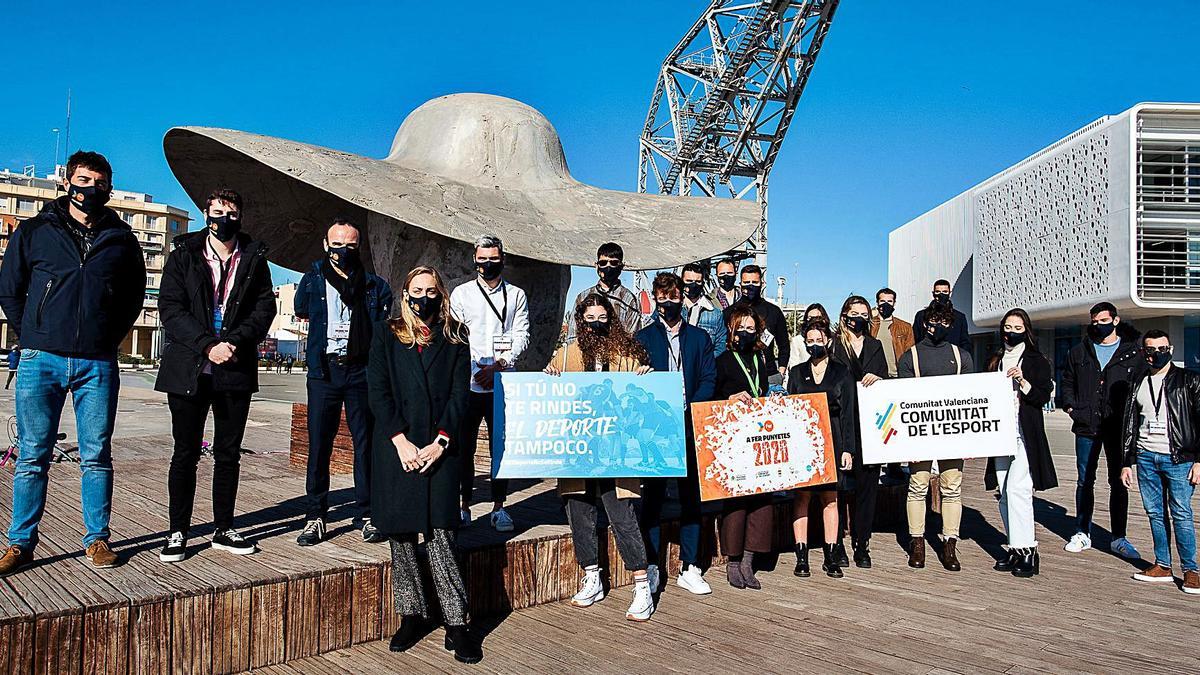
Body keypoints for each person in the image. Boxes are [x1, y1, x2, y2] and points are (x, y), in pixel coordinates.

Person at [0, 151, 146, 575]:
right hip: (39, 358)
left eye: (99, 184)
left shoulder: (122, 239)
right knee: (32, 455)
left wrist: (107, 335)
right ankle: (20, 543)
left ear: (108, 189)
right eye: (83, 180)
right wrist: (32, 333)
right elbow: (10, 289)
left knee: (97, 454)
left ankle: (97, 539)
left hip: (96, 363)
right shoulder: (35, 230)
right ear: (67, 182)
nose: (90, 189)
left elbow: (132, 296)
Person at [366, 265, 482, 663]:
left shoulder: (455, 336)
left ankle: (457, 622)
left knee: (442, 536)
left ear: (441, 293)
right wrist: (399, 440)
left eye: (431, 291)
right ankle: (412, 614)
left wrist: (442, 442)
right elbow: (377, 391)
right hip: (398, 448)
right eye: (417, 290)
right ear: (405, 292)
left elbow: (459, 396)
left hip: (439, 449)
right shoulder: (386, 333)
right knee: (401, 536)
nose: (424, 298)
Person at [155, 188, 276, 562]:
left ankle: (224, 527)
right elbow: (171, 309)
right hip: (190, 367)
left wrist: (234, 343)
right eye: (216, 211)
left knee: (228, 454)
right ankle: (178, 531)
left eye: (231, 212)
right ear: (206, 213)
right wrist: (208, 345)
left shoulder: (254, 258)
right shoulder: (184, 255)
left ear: (240, 216)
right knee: (185, 452)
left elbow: (263, 308)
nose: (223, 218)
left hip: (234, 369)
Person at [545, 293, 656, 622]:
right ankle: (592, 575)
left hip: (614, 450)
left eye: (602, 318)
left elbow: (642, 393)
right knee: (579, 512)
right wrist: (548, 376)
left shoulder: (627, 354)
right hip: (579, 449)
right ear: (581, 320)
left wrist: (645, 375)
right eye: (589, 318)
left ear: (612, 318)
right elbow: (552, 392)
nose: (596, 324)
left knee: (621, 515)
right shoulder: (566, 356)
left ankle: (641, 585)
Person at [294, 219, 394, 546]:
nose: (342, 251)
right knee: (319, 444)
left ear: (358, 247)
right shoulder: (313, 279)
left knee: (365, 443)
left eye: (350, 246)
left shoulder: (375, 286)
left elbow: (382, 330)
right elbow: (299, 309)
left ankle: (366, 512)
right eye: (337, 245)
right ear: (326, 245)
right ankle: (316, 515)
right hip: (325, 371)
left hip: (360, 371)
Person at [636, 272, 717, 597]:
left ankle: (691, 566)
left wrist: (689, 411)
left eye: (673, 296)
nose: (667, 302)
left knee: (691, 498)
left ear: (682, 298)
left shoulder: (699, 339)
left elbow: (709, 379)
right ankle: (653, 565)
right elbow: (635, 385)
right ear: (655, 298)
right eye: (662, 296)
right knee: (653, 499)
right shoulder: (643, 338)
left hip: (688, 425)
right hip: (656, 430)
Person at [449, 235, 530, 532]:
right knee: (463, 448)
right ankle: (463, 506)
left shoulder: (517, 295)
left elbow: (521, 334)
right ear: (474, 259)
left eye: (493, 259)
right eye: (481, 259)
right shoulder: (461, 294)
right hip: (469, 383)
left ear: (503, 259)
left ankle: (499, 507)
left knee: (501, 449)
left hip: (503, 383)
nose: (487, 264)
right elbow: (456, 336)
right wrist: (476, 370)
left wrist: (500, 364)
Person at [1060, 302, 1145, 559]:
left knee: (1118, 481)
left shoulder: (1132, 353)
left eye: (1103, 320)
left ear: (1116, 321)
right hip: (1087, 426)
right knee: (1085, 480)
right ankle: (1082, 532)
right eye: (1094, 321)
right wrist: (1071, 407)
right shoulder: (1079, 351)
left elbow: (1141, 388)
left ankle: (1119, 537)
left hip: (1117, 428)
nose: (1098, 325)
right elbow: (1067, 380)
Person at [1120, 330, 1200, 594]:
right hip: (1145, 457)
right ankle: (1163, 565)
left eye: (1162, 348)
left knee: (1181, 514)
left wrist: (1199, 461)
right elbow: (1130, 423)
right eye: (1151, 349)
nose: (1156, 354)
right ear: (1144, 352)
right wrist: (1126, 461)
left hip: (1179, 458)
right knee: (1155, 513)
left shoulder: (1189, 380)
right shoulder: (1138, 381)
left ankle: (1191, 570)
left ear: (1171, 348)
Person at [898, 301, 974, 571]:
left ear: (950, 324)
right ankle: (917, 542)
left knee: (952, 487)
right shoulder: (910, 356)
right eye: (932, 322)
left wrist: (968, 437)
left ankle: (949, 543)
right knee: (917, 486)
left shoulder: (962, 355)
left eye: (942, 322)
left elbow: (968, 399)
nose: (936, 327)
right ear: (924, 323)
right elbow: (903, 400)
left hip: (952, 433)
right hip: (919, 433)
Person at [983, 309, 1057, 577]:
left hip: (1024, 432)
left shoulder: (1037, 360)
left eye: (1017, 327)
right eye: (1007, 326)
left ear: (1026, 329)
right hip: (999, 433)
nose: (1011, 332)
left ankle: (1028, 549)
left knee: (1019, 489)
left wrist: (1022, 381)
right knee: (1003, 490)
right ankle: (1014, 547)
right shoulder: (994, 359)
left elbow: (1042, 396)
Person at [788, 321, 856, 579]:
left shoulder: (842, 372)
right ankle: (802, 557)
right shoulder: (796, 373)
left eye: (819, 340)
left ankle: (831, 555)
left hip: (833, 439)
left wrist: (848, 449)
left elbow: (849, 413)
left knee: (830, 498)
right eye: (810, 340)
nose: (814, 344)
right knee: (802, 497)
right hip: (804, 442)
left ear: (828, 340)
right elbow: (790, 411)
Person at [713, 306, 773, 589]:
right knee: (736, 499)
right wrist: (729, 398)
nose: (747, 333)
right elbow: (711, 398)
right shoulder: (723, 360)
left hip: (761, 435)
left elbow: (767, 390)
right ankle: (733, 561)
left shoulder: (762, 358)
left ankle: (750, 560)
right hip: (734, 438)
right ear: (732, 330)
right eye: (742, 328)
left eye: (752, 328)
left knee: (762, 497)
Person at [829, 295, 887, 568]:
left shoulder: (875, 346)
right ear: (845, 314)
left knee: (867, 487)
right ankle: (837, 541)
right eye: (855, 312)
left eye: (865, 313)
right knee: (839, 487)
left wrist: (880, 379)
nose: (860, 317)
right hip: (842, 423)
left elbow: (885, 382)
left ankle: (862, 542)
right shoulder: (834, 344)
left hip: (870, 426)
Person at [723, 264, 789, 387]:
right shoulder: (729, 313)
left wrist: (781, 371)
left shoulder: (774, 312)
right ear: (740, 283)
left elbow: (784, 345)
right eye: (746, 282)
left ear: (762, 283)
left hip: (770, 377)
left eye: (755, 282)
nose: (750, 285)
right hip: (738, 377)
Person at [572, 242, 645, 336]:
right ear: (596, 265)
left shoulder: (629, 300)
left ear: (621, 266)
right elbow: (572, 334)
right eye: (603, 263)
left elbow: (633, 337)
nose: (608, 267)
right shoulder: (582, 297)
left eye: (613, 263)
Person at [912, 279, 972, 352]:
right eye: (938, 292)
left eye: (944, 292)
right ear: (933, 293)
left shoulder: (959, 317)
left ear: (950, 293)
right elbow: (915, 339)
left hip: (951, 358)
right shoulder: (921, 316)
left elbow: (965, 343)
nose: (941, 295)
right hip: (927, 357)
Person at [681, 262, 727, 357]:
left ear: (703, 283)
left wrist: (705, 362)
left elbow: (721, 346)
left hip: (703, 369)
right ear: (682, 281)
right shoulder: (671, 309)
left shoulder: (715, 314)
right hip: (674, 369)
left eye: (698, 282)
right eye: (689, 281)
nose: (693, 285)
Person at [870, 287, 915, 379]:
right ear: (877, 303)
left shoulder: (905, 327)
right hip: (875, 376)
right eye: (882, 301)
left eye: (889, 301)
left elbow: (910, 353)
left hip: (898, 375)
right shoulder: (869, 325)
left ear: (894, 303)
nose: (886, 304)